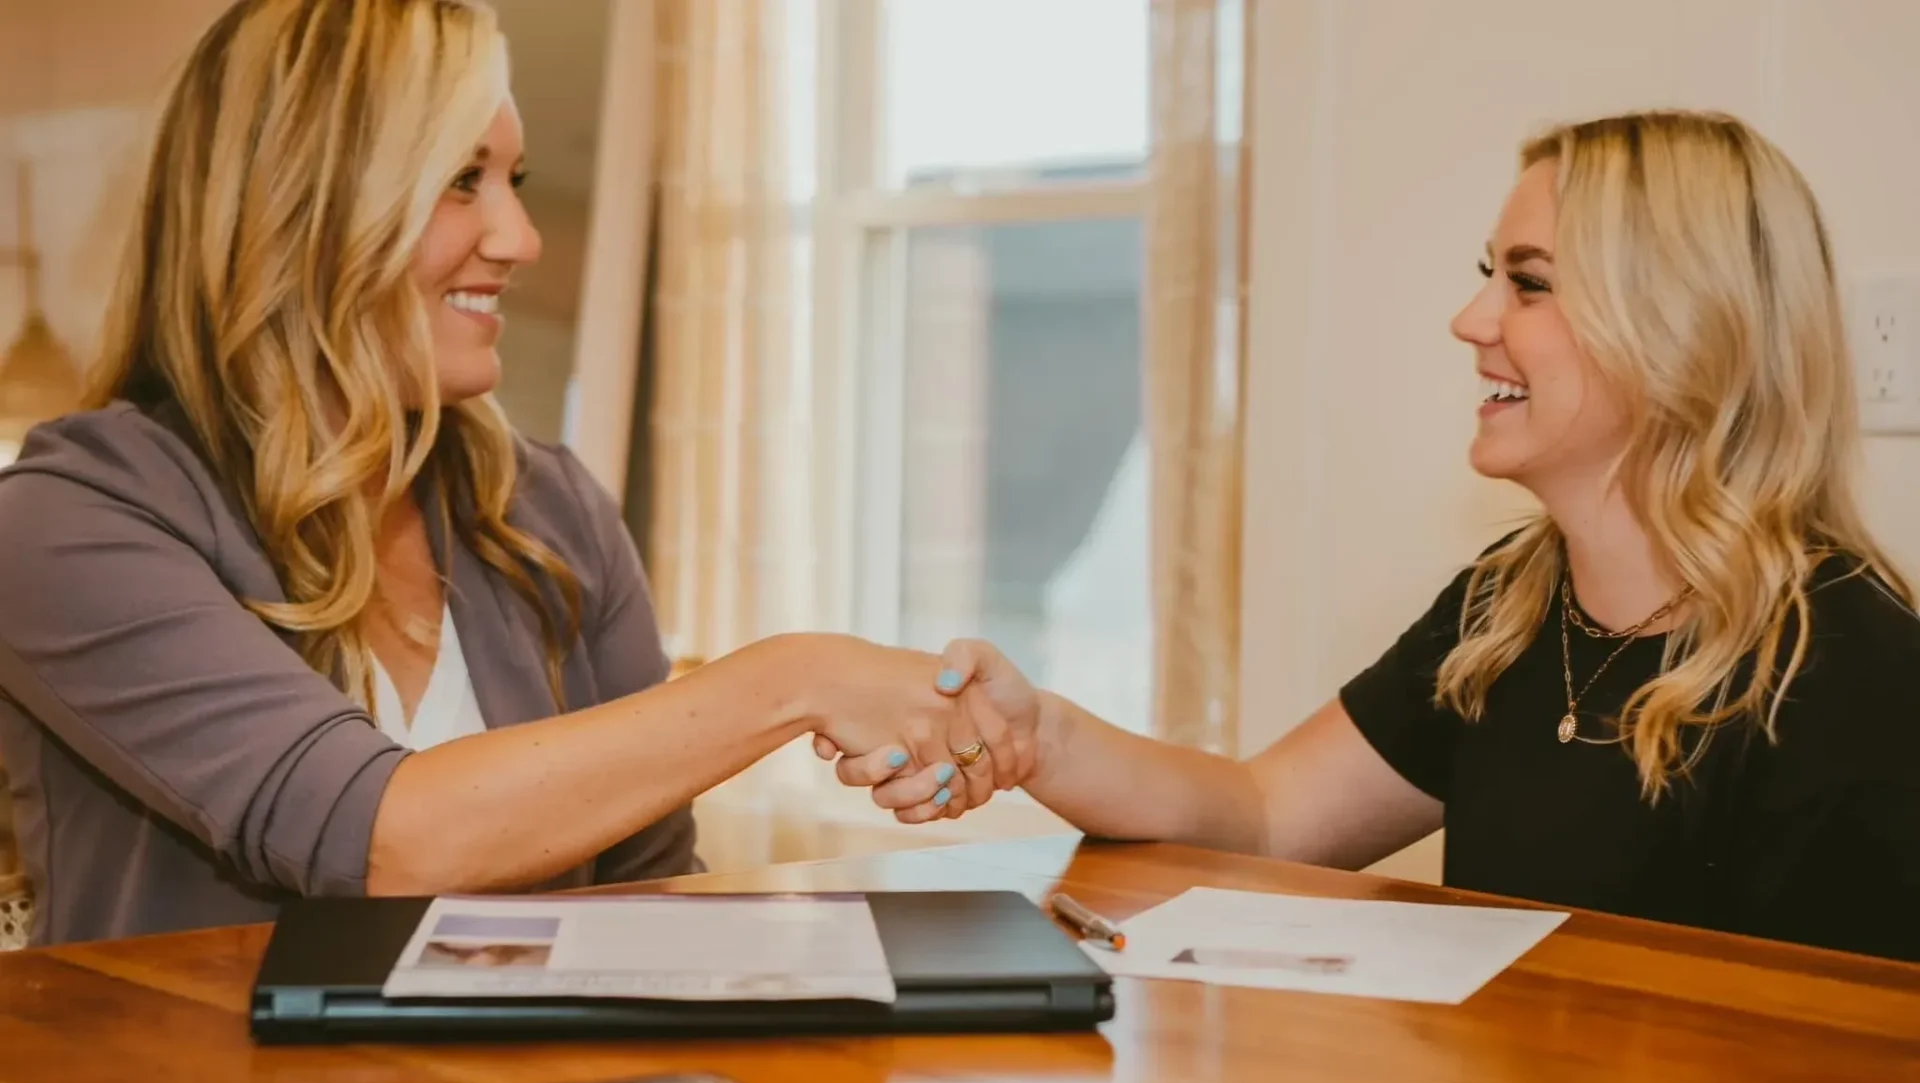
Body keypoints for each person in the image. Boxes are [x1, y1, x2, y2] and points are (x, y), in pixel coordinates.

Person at [0, 0, 989, 946]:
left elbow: (652, 890)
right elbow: (384, 838)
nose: (520, 239)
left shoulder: (551, 510)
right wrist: (795, 679)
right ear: (303, 206)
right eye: (462, 180)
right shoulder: (63, 526)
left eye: (514, 180)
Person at [831, 111, 1920, 964]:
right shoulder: (1511, 607)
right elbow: (1258, 820)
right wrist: (1041, 735)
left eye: (1529, 282)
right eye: (1487, 272)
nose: (1472, 318)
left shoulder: (1848, 668)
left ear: (1684, 325)